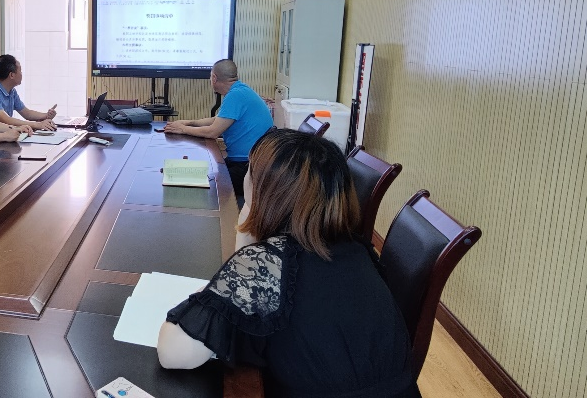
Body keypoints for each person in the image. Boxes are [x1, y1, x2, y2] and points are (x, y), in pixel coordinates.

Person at [156, 129, 419, 398]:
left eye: (250, 171)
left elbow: (172, 353)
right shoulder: (359, 250)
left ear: (266, 193)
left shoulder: (269, 264)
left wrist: (221, 281)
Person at [163, 59, 272, 205]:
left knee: (201, 183)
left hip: (249, 168)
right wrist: (188, 123)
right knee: (202, 172)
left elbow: (213, 132)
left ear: (214, 78)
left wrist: (183, 129)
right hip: (249, 163)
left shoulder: (236, 95)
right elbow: (217, 120)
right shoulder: (240, 91)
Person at [0, 54, 57, 130]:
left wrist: (46, 115)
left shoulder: (12, 91)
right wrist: (37, 125)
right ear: (12, 75)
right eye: (20, 71)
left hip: (5, 135)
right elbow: (6, 120)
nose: (22, 74)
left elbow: (26, 113)